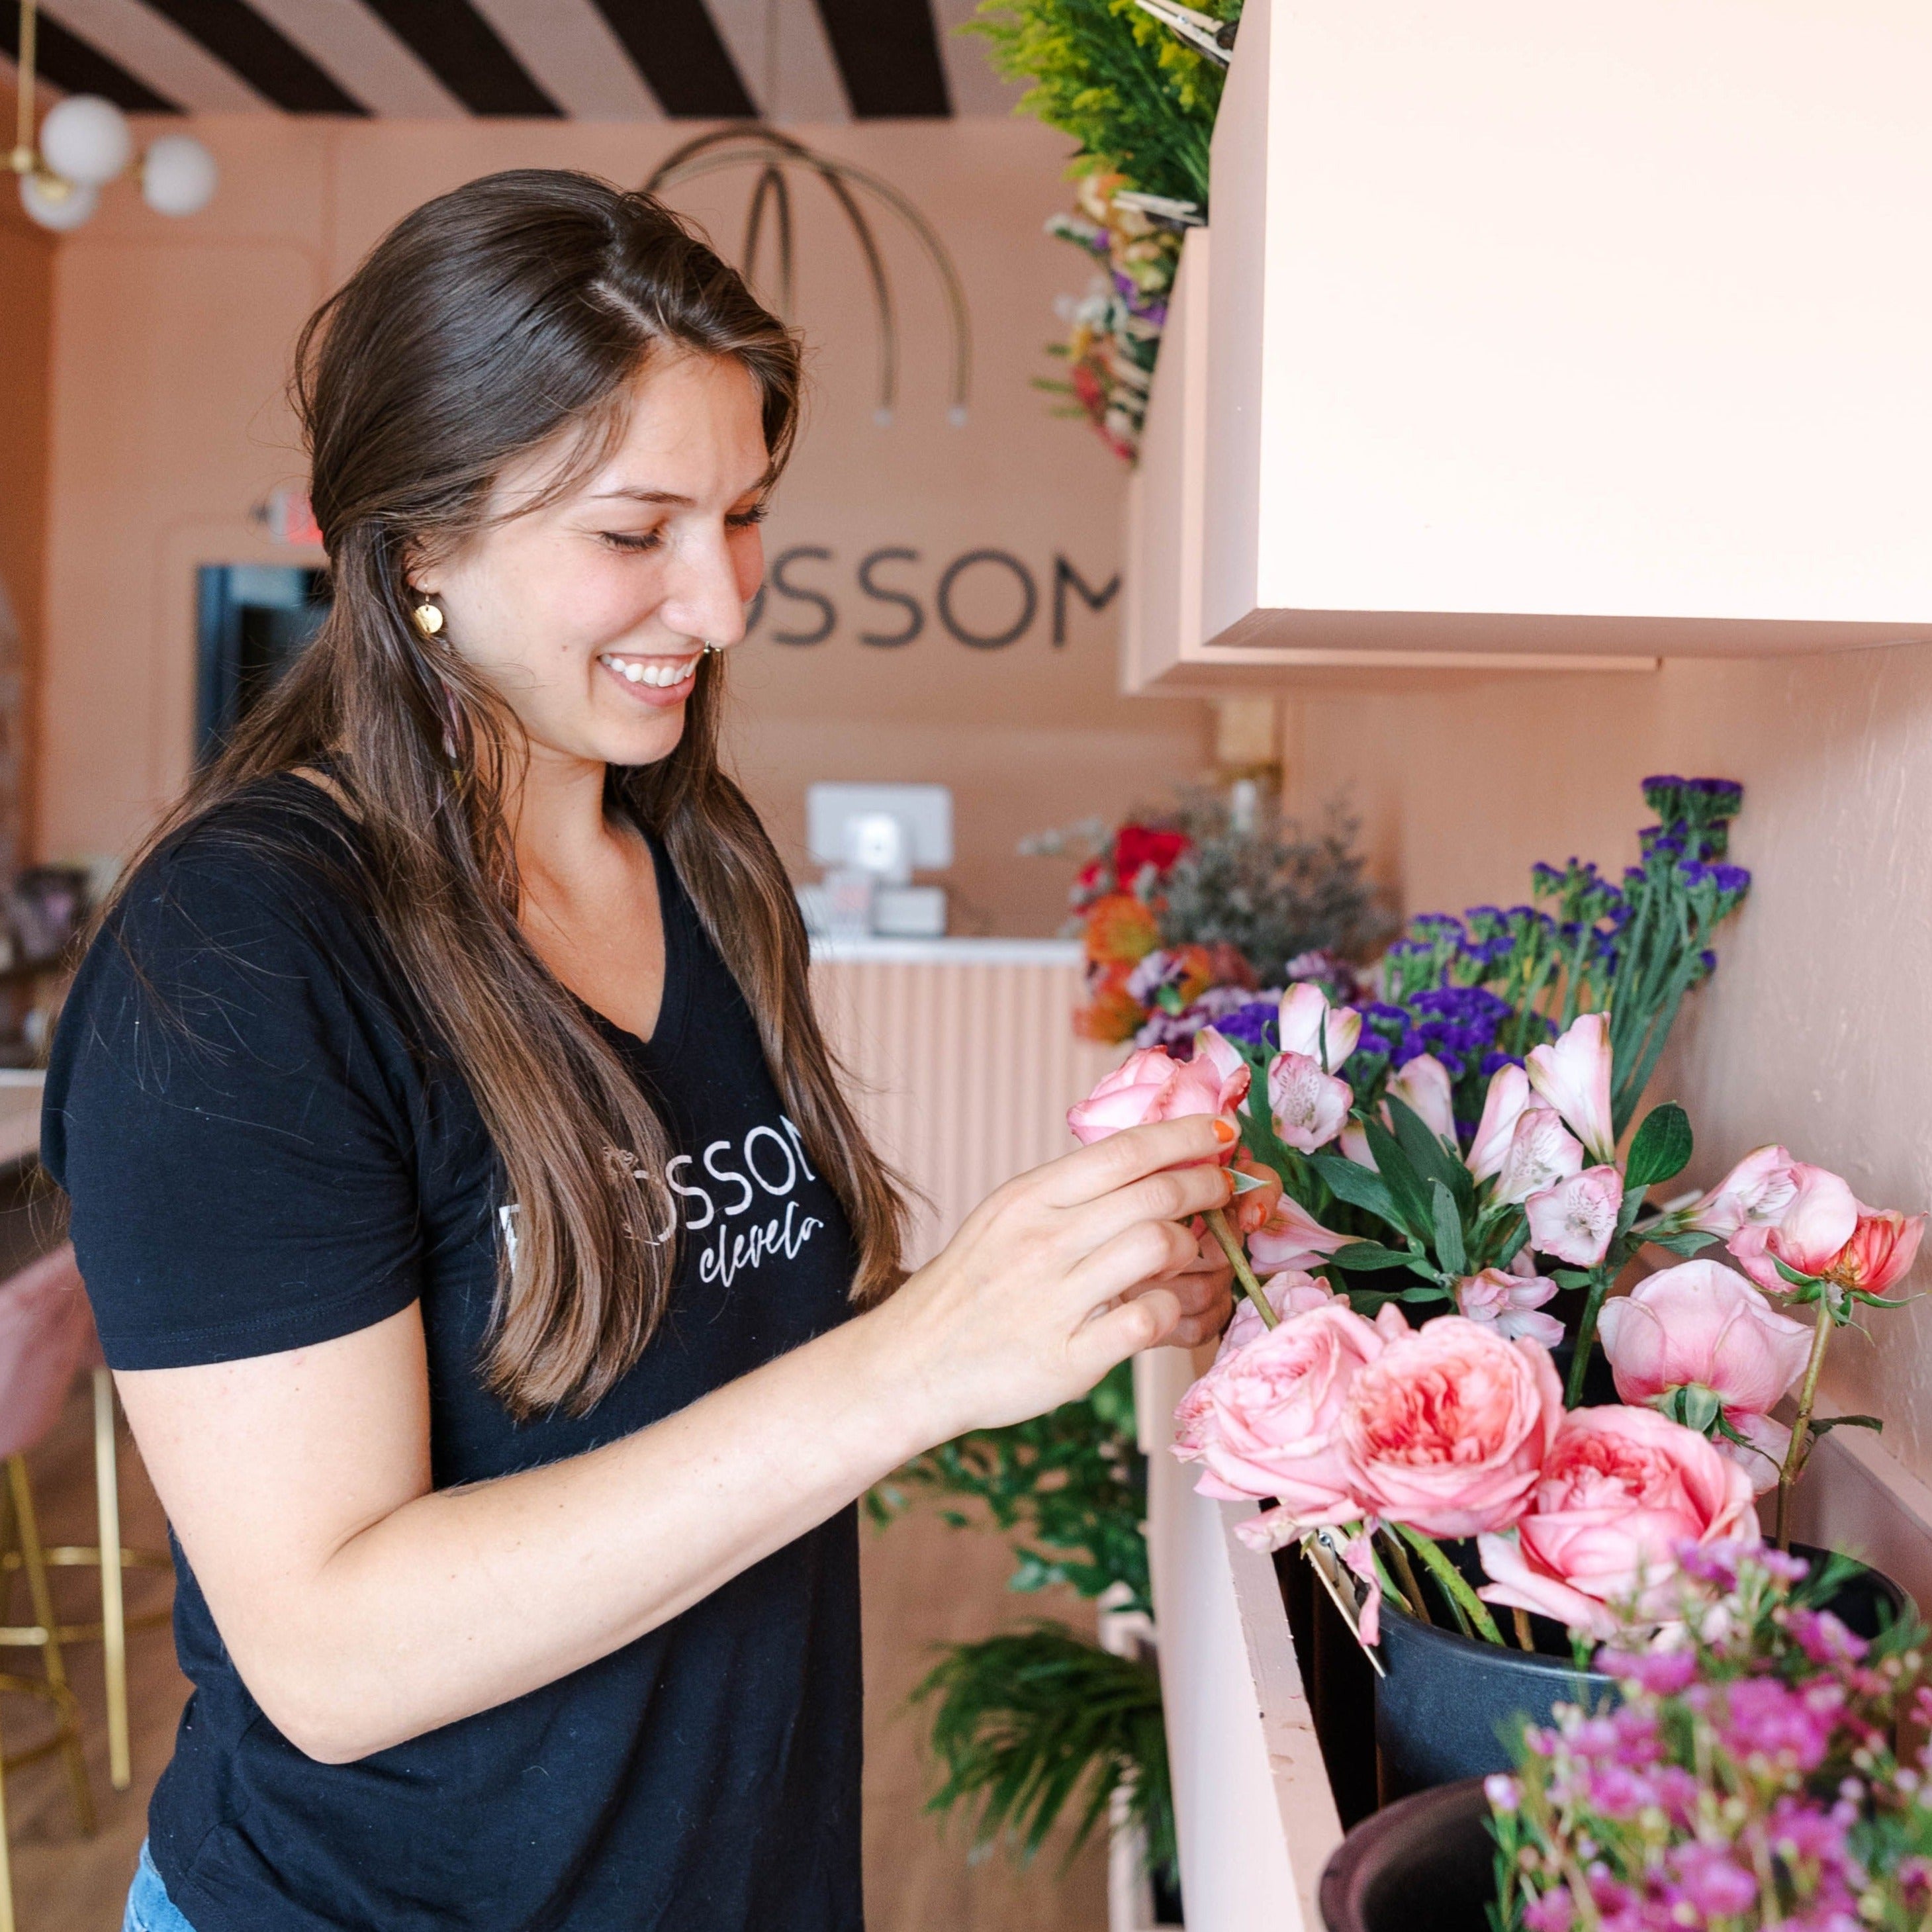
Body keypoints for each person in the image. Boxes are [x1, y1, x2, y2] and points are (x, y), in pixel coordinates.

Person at [42, 170, 1235, 1932]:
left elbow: (700, 1398)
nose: (727, 598)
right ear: (417, 541)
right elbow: (329, 1653)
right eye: (636, 529)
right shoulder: (240, 961)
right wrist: (917, 1366)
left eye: (745, 514)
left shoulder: (697, 860)